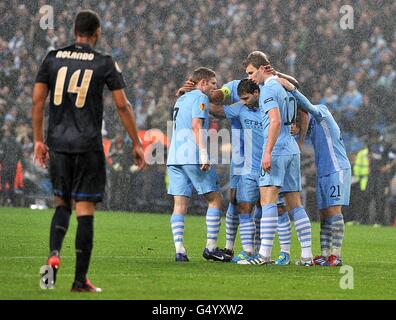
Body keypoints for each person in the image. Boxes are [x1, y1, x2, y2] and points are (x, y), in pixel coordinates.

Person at [32, 10, 145, 292]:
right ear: (97, 33)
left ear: (74, 31)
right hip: (87, 146)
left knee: (61, 206)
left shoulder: (52, 58)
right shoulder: (104, 62)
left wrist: (38, 140)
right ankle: (79, 281)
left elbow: (37, 101)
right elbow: (122, 105)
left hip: (57, 144)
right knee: (84, 211)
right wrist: (136, 142)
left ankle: (52, 258)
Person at [210, 79, 293, 265]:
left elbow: (285, 117)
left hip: (270, 163)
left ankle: (285, 252)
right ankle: (248, 251)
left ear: (257, 93)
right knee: (244, 207)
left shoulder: (270, 105)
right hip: (248, 168)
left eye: (247, 98)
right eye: (241, 99)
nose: (244, 101)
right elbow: (216, 110)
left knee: (277, 208)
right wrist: (196, 96)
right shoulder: (240, 108)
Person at [244, 51, 313, 266]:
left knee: (268, 201)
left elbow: (274, 121)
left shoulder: (268, 90)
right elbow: (301, 113)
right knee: (295, 204)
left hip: (276, 149)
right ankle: (307, 255)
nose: (249, 78)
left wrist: (267, 152)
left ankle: (263, 255)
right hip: (291, 148)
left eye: (251, 72)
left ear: (263, 68)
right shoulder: (284, 87)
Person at [278, 77, 351, 266]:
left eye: (298, 119)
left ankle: (336, 254)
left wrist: (290, 88)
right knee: (324, 214)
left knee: (334, 212)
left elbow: (306, 107)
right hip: (324, 172)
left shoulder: (321, 113)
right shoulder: (312, 126)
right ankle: (325, 254)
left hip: (337, 169)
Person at [167, 67, 228, 262]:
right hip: (191, 153)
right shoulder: (200, 97)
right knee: (215, 199)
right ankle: (210, 247)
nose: (215, 87)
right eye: (213, 83)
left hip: (174, 155)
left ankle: (180, 250)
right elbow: (196, 126)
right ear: (202, 83)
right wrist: (203, 154)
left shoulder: (181, 97)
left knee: (180, 205)